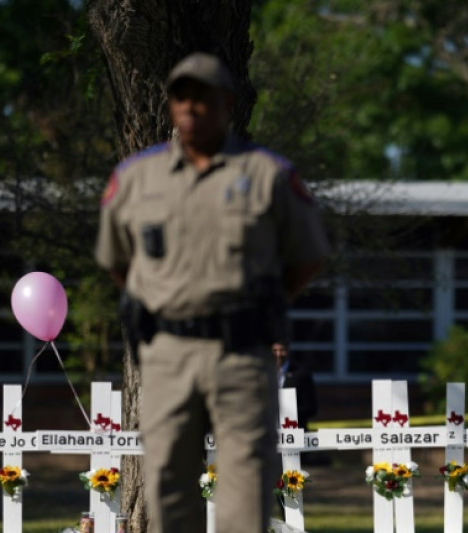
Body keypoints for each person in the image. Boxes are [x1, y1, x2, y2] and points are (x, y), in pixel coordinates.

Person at [95, 52, 329, 533]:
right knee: (168, 491)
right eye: (181, 96)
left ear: (226, 102)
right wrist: (163, 304)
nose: (191, 107)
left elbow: (308, 256)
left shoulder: (269, 176)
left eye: (203, 97)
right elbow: (116, 260)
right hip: (167, 356)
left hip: (241, 353)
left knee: (244, 497)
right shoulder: (137, 178)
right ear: (170, 104)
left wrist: (260, 305)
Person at [273, 342, 318, 430]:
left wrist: (288, 410)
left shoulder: (301, 374)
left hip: (295, 434)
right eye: (274, 350)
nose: (278, 354)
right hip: (268, 435)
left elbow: (311, 408)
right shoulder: (261, 374)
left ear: (288, 351)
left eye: (282, 350)